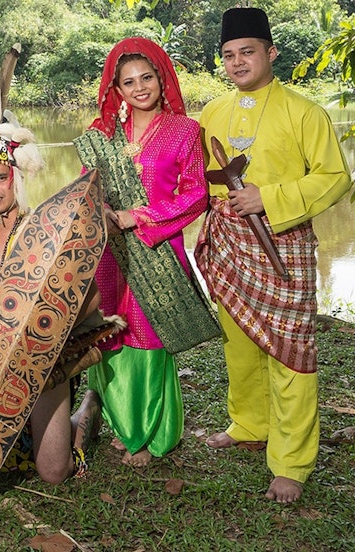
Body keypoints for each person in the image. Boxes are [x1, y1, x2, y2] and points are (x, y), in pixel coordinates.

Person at [195, 7, 351, 503]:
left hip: (283, 243)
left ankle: (291, 461)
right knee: (238, 341)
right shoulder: (213, 113)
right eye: (228, 55)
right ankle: (249, 423)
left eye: (247, 52)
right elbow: (194, 177)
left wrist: (271, 198)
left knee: (290, 353)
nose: (238, 62)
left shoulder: (305, 112)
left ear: (270, 53)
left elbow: (334, 177)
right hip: (229, 241)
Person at [0, 49, 110, 484]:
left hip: (43, 361)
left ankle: (86, 411)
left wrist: (52, 332)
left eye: (0, 178)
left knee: (53, 472)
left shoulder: (43, 228)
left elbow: (91, 296)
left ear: (15, 177)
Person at [73, 37, 210, 468]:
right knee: (113, 334)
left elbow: (196, 194)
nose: (139, 88)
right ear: (115, 89)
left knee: (149, 339)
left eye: (146, 77)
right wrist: (105, 210)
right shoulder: (102, 136)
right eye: (127, 81)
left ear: (162, 78)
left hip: (157, 250)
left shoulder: (185, 131)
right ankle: (122, 423)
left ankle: (152, 434)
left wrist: (141, 216)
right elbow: (84, 189)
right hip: (110, 253)